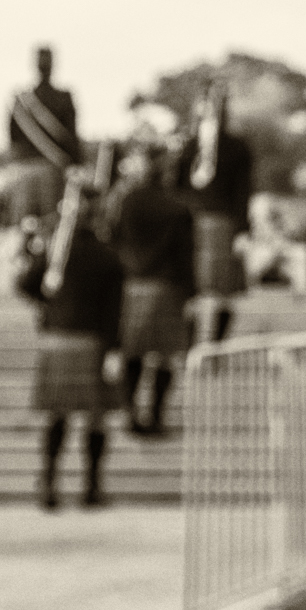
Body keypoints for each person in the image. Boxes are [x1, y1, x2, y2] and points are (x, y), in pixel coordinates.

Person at [16, 174, 124, 510]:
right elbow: (113, 313)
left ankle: (49, 484)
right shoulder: (107, 256)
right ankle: (91, 487)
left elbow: (25, 283)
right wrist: (114, 350)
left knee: (56, 417)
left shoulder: (54, 248)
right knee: (95, 419)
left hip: (57, 340)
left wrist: (46, 305)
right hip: (90, 342)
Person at [110, 144, 194, 436]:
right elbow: (185, 256)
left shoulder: (128, 201)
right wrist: (189, 292)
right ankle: (155, 416)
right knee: (163, 356)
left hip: (132, 286)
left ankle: (131, 414)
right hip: (166, 287)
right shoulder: (178, 207)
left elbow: (114, 239)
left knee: (132, 354)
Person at [175, 86, 253, 341]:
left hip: (223, 225)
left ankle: (215, 347)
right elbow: (176, 190)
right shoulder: (188, 148)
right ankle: (190, 346)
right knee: (191, 289)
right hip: (191, 225)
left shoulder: (237, 149)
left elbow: (244, 192)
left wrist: (242, 231)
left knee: (222, 293)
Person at [8, 45, 81, 226]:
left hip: (24, 169)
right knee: (51, 223)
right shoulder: (64, 98)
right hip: (52, 168)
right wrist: (76, 163)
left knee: (22, 225)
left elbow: (12, 137)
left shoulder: (21, 100)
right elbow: (71, 137)